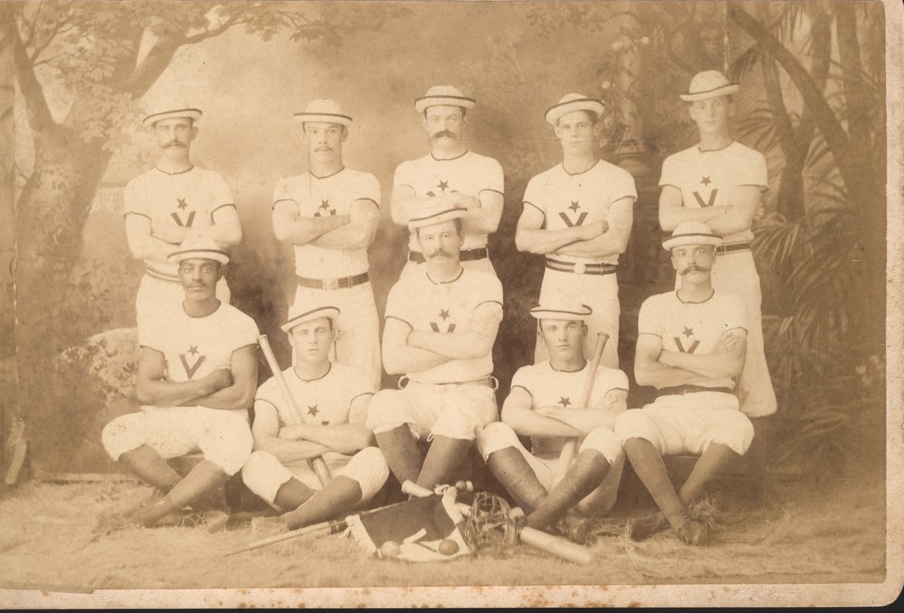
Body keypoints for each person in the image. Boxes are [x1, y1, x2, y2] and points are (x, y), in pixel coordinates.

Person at [100, 237, 258, 528]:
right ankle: (199, 505)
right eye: (188, 269)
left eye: (206, 269)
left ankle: (159, 510)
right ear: (179, 273)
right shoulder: (160, 321)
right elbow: (145, 391)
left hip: (221, 418)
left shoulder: (240, 323)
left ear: (219, 274)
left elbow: (242, 396)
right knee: (116, 430)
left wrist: (175, 395)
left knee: (237, 442)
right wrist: (205, 385)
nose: (196, 277)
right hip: (172, 418)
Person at [615, 221, 754, 545]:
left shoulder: (730, 303)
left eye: (700, 251)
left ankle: (665, 518)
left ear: (714, 256)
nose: (691, 260)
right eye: (682, 253)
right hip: (669, 407)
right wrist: (710, 366)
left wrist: (667, 355)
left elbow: (732, 365)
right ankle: (682, 522)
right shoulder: (656, 305)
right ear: (674, 261)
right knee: (629, 420)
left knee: (739, 427)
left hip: (716, 405)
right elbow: (644, 374)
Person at [657, 70, 776, 420]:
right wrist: (723, 209)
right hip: (690, 266)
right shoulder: (676, 163)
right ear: (691, 111)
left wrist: (690, 218)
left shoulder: (749, 158)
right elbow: (666, 220)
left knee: (745, 346)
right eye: (700, 105)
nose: (708, 112)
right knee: (695, 341)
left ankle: (751, 437)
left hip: (735, 262)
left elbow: (740, 221)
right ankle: (702, 429)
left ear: (730, 107)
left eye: (717, 104)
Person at [366, 201, 504, 491]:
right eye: (428, 237)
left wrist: (415, 337)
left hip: (472, 392)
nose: (437, 245)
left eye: (446, 235)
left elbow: (478, 346)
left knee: (459, 415)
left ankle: (417, 504)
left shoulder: (486, 283)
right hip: (420, 393)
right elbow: (392, 360)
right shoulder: (404, 289)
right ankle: (428, 501)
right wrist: (459, 345)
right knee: (382, 404)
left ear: (462, 238)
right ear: (415, 242)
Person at [477, 301, 628, 542]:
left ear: (584, 331)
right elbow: (512, 416)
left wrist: (551, 413)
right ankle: (561, 519)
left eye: (571, 327)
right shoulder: (529, 374)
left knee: (607, 436)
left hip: (590, 489)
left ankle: (537, 520)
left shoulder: (612, 376)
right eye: (553, 329)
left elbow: (615, 420)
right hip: (539, 480)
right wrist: (589, 419)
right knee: (493, 432)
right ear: (541, 334)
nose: (562, 337)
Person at [516, 93, 636, 368]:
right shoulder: (541, 182)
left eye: (582, 125)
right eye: (567, 127)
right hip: (557, 282)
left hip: (600, 282)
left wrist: (549, 243)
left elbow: (616, 242)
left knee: (602, 364)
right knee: (550, 363)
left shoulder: (618, 179)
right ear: (557, 131)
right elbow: (523, 239)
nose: (574, 134)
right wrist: (584, 231)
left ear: (595, 129)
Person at [241, 305, 389, 530]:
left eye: (320, 331)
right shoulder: (271, 388)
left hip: (346, 478)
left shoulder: (356, 379)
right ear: (291, 339)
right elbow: (264, 444)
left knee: (375, 457)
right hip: (294, 479)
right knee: (254, 464)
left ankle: (296, 519)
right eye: (303, 333)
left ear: (333, 335)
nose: (313, 340)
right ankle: (330, 511)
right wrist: (331, 443)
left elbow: (362, 438)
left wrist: (302, 431)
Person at [272, 99, 382, 389]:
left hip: (355, 294)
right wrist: (343, 219)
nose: (322, 140)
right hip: (310, 294)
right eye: (314, 131)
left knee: (363, 383)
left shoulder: (363, 181)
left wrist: (305, 230)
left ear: (344, 135)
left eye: (331, 131)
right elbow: (284, 230)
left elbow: (361, 235)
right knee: (312, 386)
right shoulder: (288, 185)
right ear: (303, 135)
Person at [123, 106, 242, 328]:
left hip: (209, 291)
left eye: (180, 128)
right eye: (164, 129)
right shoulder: (139, 186)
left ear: (193, 133)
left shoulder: (212, 181)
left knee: (211, 358)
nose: (173, 137)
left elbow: (233, 233)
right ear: (154, 134)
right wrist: (205, 246)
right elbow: (140, 246)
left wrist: (181, 234)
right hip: (158, 290)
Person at [391, 85, 504, 277]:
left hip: (474, 268)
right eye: (435, 119)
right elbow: (400, 214)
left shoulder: (488, 166)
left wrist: (421, 210)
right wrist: (461, 201)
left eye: (452, 118)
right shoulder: (408, 169)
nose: (443, 127)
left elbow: (489, 221)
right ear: (425, 123)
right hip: (420, 270)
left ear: (464, 121)